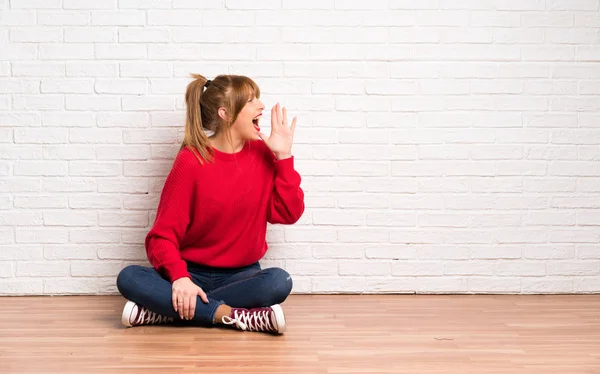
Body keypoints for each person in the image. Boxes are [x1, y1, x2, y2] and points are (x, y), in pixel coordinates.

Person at [115, 74, 305, 335]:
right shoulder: (191, 161)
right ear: (226, 113)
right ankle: (230, 315)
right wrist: (180, 278)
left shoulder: (262, 154)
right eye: (251, 100)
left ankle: (170, 311)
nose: (262, 106)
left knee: (278, 282)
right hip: (189, 273)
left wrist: (283, 155)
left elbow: (288, 213)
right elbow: (161, 237)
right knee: (130, 277)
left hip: (243, 275)